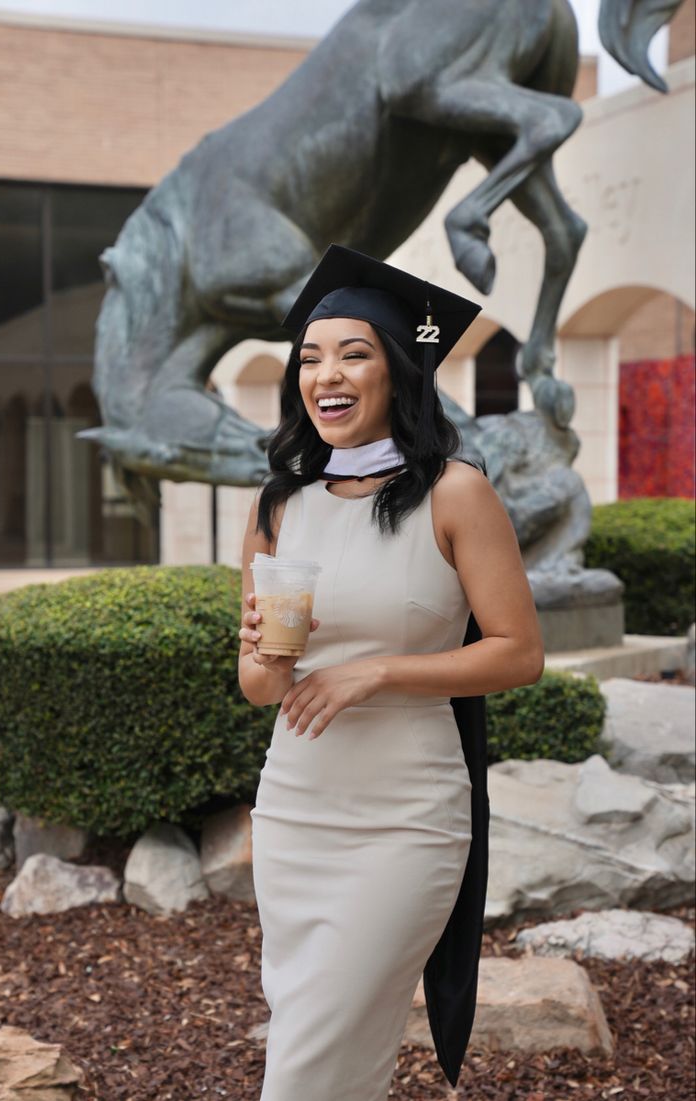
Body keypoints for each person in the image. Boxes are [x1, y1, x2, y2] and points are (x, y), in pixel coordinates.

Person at [238, 245, 545, 1101]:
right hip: (297, 810)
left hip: (406, 818)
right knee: (331, 1043)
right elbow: (259, 689)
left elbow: (518, 651)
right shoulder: (278, 505)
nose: (325, 374)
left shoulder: (454, 493)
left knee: (311, 1053)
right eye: (309, 357)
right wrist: (271, 652)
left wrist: (375, 671)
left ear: (399, 370)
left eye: (353, 353)